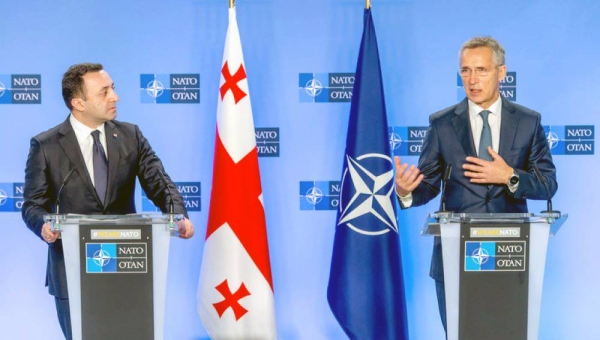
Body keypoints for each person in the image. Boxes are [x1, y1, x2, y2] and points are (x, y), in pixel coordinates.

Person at [394, 36, 557, 331]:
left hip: (511, 258)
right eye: (465, 71)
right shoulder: (442, 124)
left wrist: (510, 177)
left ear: (501, 72)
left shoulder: (528, 122)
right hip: (455, 260)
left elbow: (548, 185)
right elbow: (428, 184)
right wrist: (406, 192)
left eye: (481, 70)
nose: (472, 80)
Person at [21, 62, 195, 339]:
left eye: (112, 88)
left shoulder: (130, 136)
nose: (115, 96)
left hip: (129, 265)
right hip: (73, 271)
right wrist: (43, 225)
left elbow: (159, 182)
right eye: (104, 92)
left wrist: (178, 214)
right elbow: (32, 203)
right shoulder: (46, 145)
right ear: (78, 102)